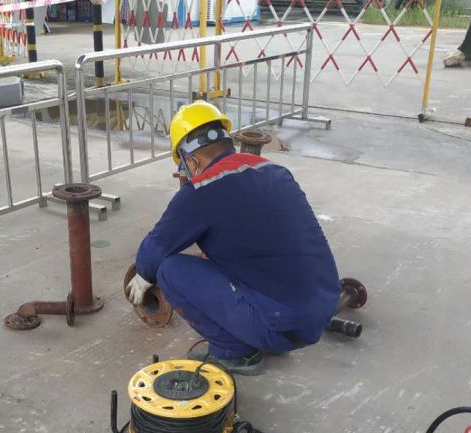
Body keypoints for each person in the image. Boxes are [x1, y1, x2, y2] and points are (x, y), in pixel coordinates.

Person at [126, 101, 341, 376]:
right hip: (320, 311)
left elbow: (155, 250)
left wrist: (143, 275)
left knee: (170, 270)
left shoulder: (201, 191)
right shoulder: (274, 171)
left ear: (191, 160)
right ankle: (266, 326)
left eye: (184, 166)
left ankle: (234, 352)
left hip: (281, 328)